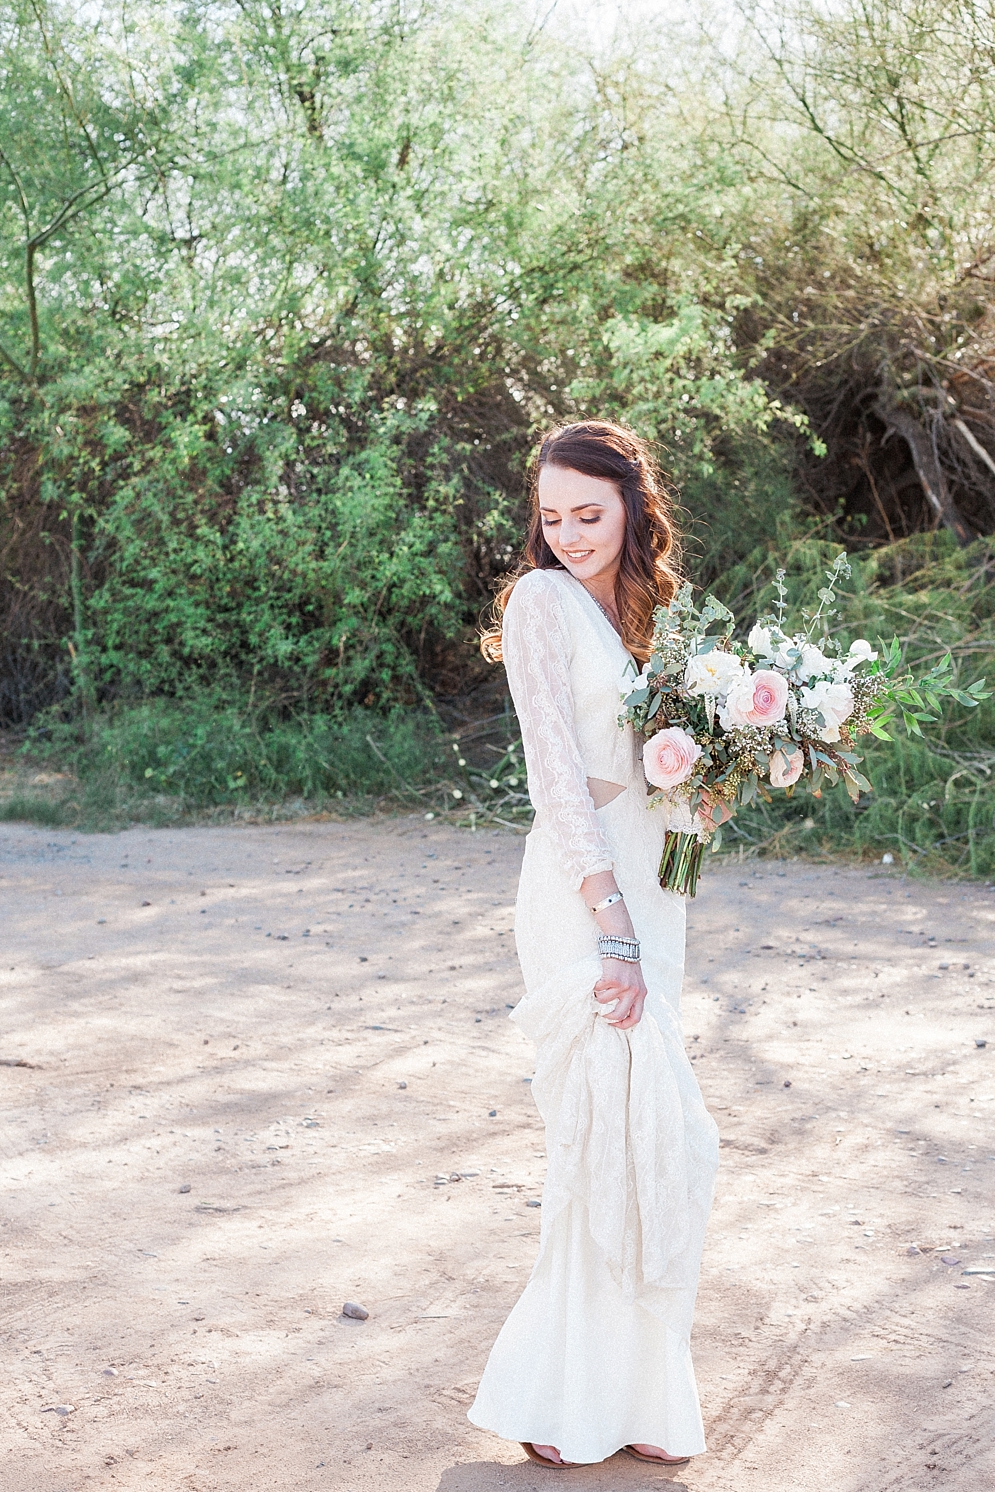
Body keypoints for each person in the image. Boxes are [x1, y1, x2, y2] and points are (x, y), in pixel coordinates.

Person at [468, 420, 719, 1469]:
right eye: (551, 515)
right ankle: (556, 1399)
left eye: (589, 513)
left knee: (653, 1136)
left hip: (646, 882)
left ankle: (639, 1400)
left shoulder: (636, 615)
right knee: (603, 1134)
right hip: (584, 894)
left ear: (630, 506)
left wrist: (705, 797)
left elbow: (651, 768)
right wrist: (610, 925)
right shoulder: (537, 602)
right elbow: (553, 774)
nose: (567, 534)